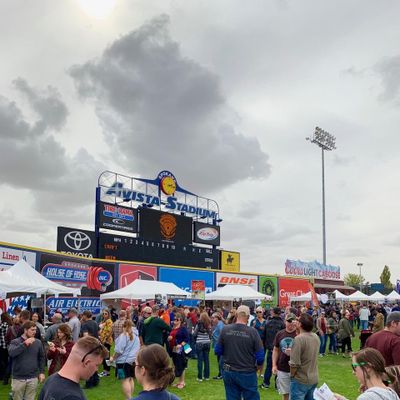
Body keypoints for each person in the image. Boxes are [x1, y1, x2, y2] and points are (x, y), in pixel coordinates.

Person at [215, 304, 265, 400]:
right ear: (248, 317)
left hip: (229, 371)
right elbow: (260, 357)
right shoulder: (253, 332)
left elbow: (218, 350)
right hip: (247, 372)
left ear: (236, 315)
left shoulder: (225, 329)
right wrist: (258, 368)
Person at [38, 336, 109, 400]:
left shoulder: (50, 380)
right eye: (97, 365)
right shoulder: (73, 396)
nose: (96, 369)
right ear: (86, 363)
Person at [335, 348, 399, 400]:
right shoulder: (391, 392)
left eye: (354, 367)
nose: (353, 372)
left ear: (367, 367)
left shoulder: (368, 397)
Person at [8, 321, 46, 400]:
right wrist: (24, 344)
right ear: (25, 330)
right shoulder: (15, 342)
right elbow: (12, 353)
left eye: (35, 330)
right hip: (18, 378)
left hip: (33, 377)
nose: (34, 332)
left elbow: (42, 358)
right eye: (32, 330)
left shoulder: (38, 342)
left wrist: (42, 372)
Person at [289, 313, 320, 400]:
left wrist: (292, 376)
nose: (295, 321)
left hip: (300, 380)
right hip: (313, 378)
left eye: (298, 320)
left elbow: (294, 364)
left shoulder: (298, 339)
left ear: (300, 324)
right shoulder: (315, 337)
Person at [109, 319, 140, 399]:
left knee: (125, 380)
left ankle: (129, 398)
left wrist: (113, 357)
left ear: (124, 327)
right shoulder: (136, 336)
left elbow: (119, 350)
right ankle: (130, 397)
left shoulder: (124, 335)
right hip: (132, 360)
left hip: (123, 361)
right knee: (130, 379)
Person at [272, 313, 297, 400]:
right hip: (282, 368)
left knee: (296, 394)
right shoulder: (280, 334)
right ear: (285, 321)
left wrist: (293, 353)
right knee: (285, 394)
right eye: (288, 321)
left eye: (292, 321)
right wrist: (274, 365)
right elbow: (275, 350)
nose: (290, 323)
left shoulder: (299, 334)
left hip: (297, 369)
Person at [261, 307, 285, 389]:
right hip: (280, 349)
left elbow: (263, 336)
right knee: (279, 366)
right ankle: (277, 385)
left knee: (269, 366)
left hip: (271, 348)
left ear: (273, 313)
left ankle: (266, 383)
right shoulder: (282, 324)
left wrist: (264, 346)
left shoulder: (268, 322)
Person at [167, 313, 190, 389]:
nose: (174, 321)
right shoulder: (173, 328)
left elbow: (186, 339)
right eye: (174, 319)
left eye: (176, 319)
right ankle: (177, 381)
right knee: (174, 364)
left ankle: (182, 382)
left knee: (181, 365)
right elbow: (170, 337)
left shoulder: (183, 328)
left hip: (179, 348)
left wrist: (181, 344)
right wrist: (169, 338)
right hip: (173, 348)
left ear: (180, 320)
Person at [80, 310, 100, 389]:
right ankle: (96, 380)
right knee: (94, 363)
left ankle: (89, 383)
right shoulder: (95, 323)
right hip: (96, 345)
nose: (82, 317)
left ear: (85, 316)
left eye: (82, 315)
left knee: (88, 364)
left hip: (89, 346)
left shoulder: (85, 324)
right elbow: (99, 333)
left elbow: (85, 336)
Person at [194, 311, 212, 381]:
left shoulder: (198, 324)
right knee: (206, 360)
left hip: (199, 343)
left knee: (200, 360)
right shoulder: (209, 324)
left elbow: (195, 334)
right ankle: (206, 376)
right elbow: (210, 334)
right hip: (207, 342)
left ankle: (200, 377)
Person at [98, 308, 114, 377]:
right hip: (102, 340)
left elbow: (109, 331)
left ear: (108, 314)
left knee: (106, 356)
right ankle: (105, 371)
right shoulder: (103, 321)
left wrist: (104, 339)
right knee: (104, 356)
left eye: (106, 314)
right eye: (103, 314)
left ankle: (106, 372)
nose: (104, 315)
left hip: (106, 341)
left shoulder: (109, 321)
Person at [211, 312, 225, 380]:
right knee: (219, 361)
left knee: (221, 361)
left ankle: (222, 375)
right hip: (218, 345)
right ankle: (220, 374)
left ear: (217, 318)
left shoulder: (220, 325)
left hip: (220, 345)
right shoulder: (218, 324)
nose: (212, 319)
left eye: (213, 318)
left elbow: (222, 336)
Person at [0, 313, 12, 384]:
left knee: (2, 362)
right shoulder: (10, 325)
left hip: (2, 345)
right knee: (7, 361)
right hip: (8, 346)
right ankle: (6, 375)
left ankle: (3, 376)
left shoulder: (3, 325)